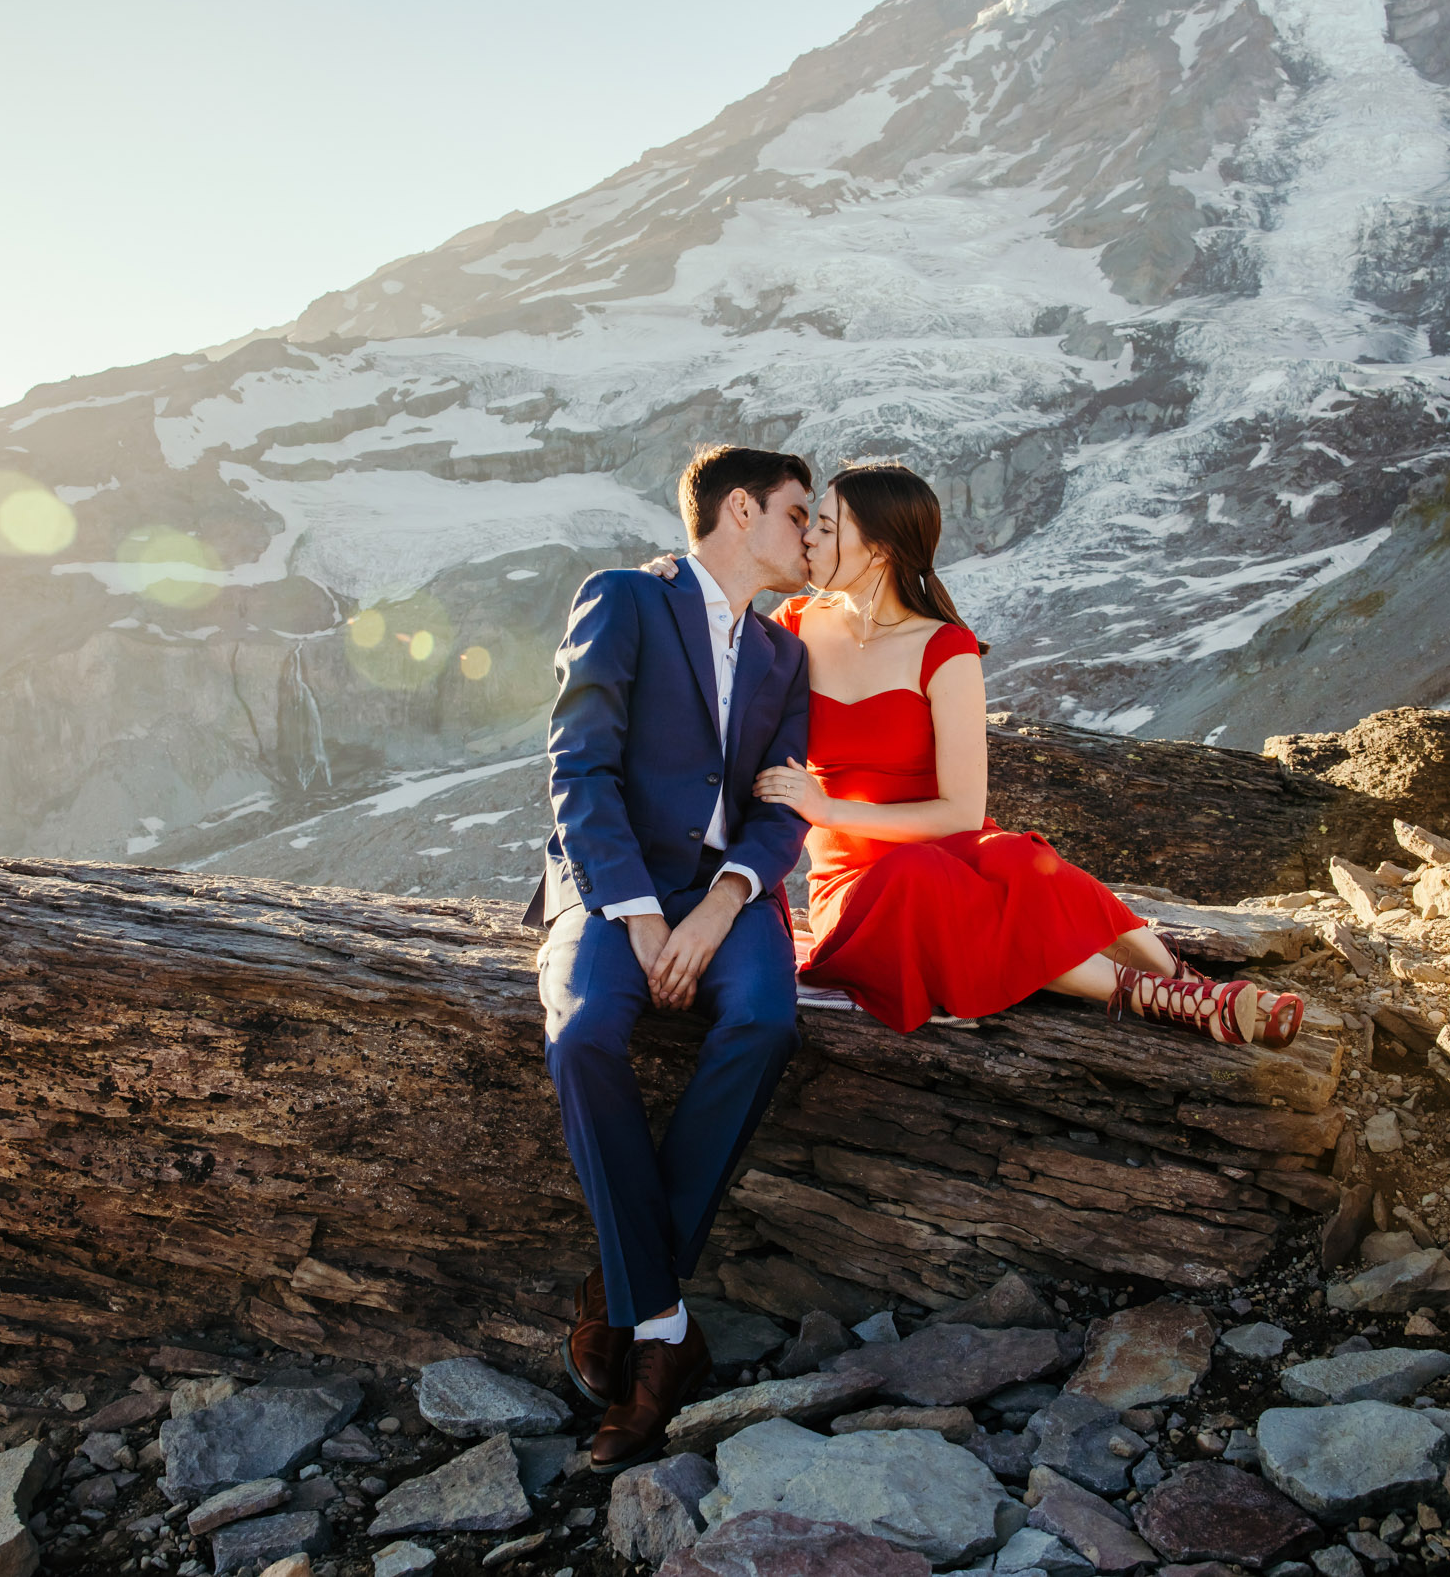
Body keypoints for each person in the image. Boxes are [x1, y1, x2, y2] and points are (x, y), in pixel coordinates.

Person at [663, 462, 1305, 1045]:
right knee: (918, 878)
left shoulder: (946, 648)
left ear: (879, 549)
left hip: (946, 847)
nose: (807, 539)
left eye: (825, 529)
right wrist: (665, 579)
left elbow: (961, 815)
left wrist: (826, 807)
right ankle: (1158, 996)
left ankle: (1182, 982)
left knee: (1018, 858)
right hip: (859, 887)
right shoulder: (795, 627)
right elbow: (713, 633)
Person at [527, 444, 816, 1472]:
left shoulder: (787, 656)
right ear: (739, 511)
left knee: (766, 1021)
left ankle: (620, 1289)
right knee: (588, 1036)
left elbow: (783, 814)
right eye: (796, 514)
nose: (810, 534)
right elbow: (577, 769)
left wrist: (724, 902)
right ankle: (663, 1331)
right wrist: (644, 915)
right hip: (609, 883)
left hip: (730, 894)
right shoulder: (624, 599)